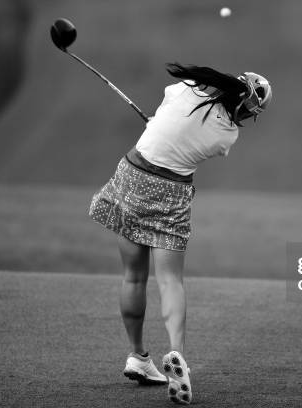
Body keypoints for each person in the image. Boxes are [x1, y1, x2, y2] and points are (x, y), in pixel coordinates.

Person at [88, 62, 272, 405]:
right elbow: (190, 138)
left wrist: (158, 124)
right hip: (170, 192)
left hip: (131, 174)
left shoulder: (188, 86)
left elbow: (169, 110)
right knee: (170, 280)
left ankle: (137, 356)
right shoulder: (227, 135)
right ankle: (177, 355)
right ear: (246, 109)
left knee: (133, 276)